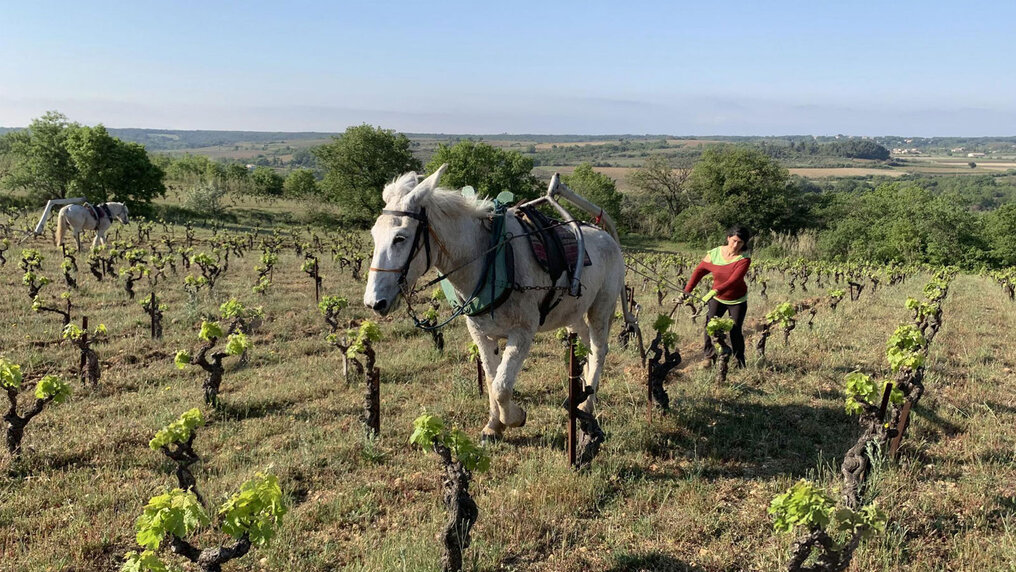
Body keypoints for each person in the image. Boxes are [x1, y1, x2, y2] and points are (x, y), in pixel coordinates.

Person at [683, 225, 752, 368]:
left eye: (740, 242)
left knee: (735, 330)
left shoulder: (744, 259)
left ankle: (739, 362)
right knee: (710, 326)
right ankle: (709, 356)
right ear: (728, 238)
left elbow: (734, 280)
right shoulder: (714, 253)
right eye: (733, 240)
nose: (735, 245)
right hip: (718, 298)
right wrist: (687, 291)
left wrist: (714, 291)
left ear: (744, 244)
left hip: (737, 299)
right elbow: (699, 271)